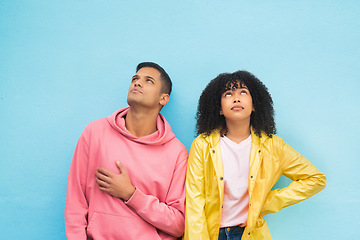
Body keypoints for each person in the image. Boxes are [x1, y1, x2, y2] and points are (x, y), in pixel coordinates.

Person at [183, 70, 326, 240]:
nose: (236, 98)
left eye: (243, 92)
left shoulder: (274, 146)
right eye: (228, 94)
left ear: (254, 105)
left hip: (251, 234)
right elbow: (194, 203)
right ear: (219, 109)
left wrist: (263, 203)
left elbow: (316, 179)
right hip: (211, 234)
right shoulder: (202, 145)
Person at [65, 62, 188, 240]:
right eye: (135, 79)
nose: (137, 83)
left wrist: (130, 194)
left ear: (163, 98)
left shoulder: (176, 152)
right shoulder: (95, 132)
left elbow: (178, 224)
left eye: (149, 81)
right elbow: (75, 201)